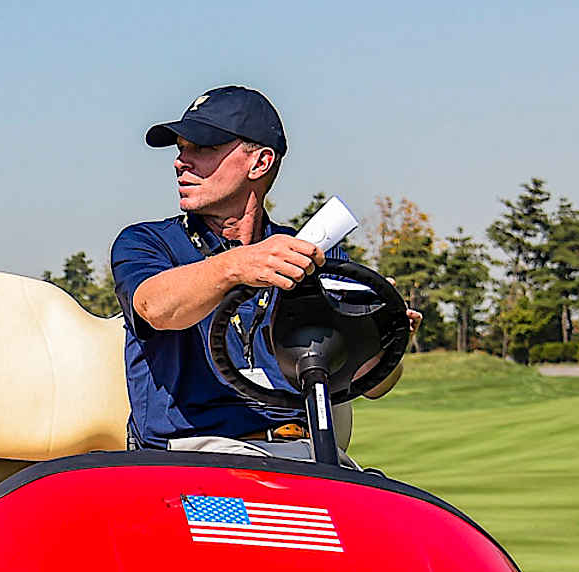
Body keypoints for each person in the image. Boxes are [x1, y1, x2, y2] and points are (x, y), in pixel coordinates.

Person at [110, 86, 420, 457]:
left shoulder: (309, 253)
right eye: (180, 149)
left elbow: (370, 384)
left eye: (203, 148)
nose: (181, 161)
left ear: (260, 163)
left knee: (385, 514)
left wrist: (379, 336)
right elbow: (155, 308)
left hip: (303, 454)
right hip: (191, 459)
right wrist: (236, 266)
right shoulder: (146, 242)